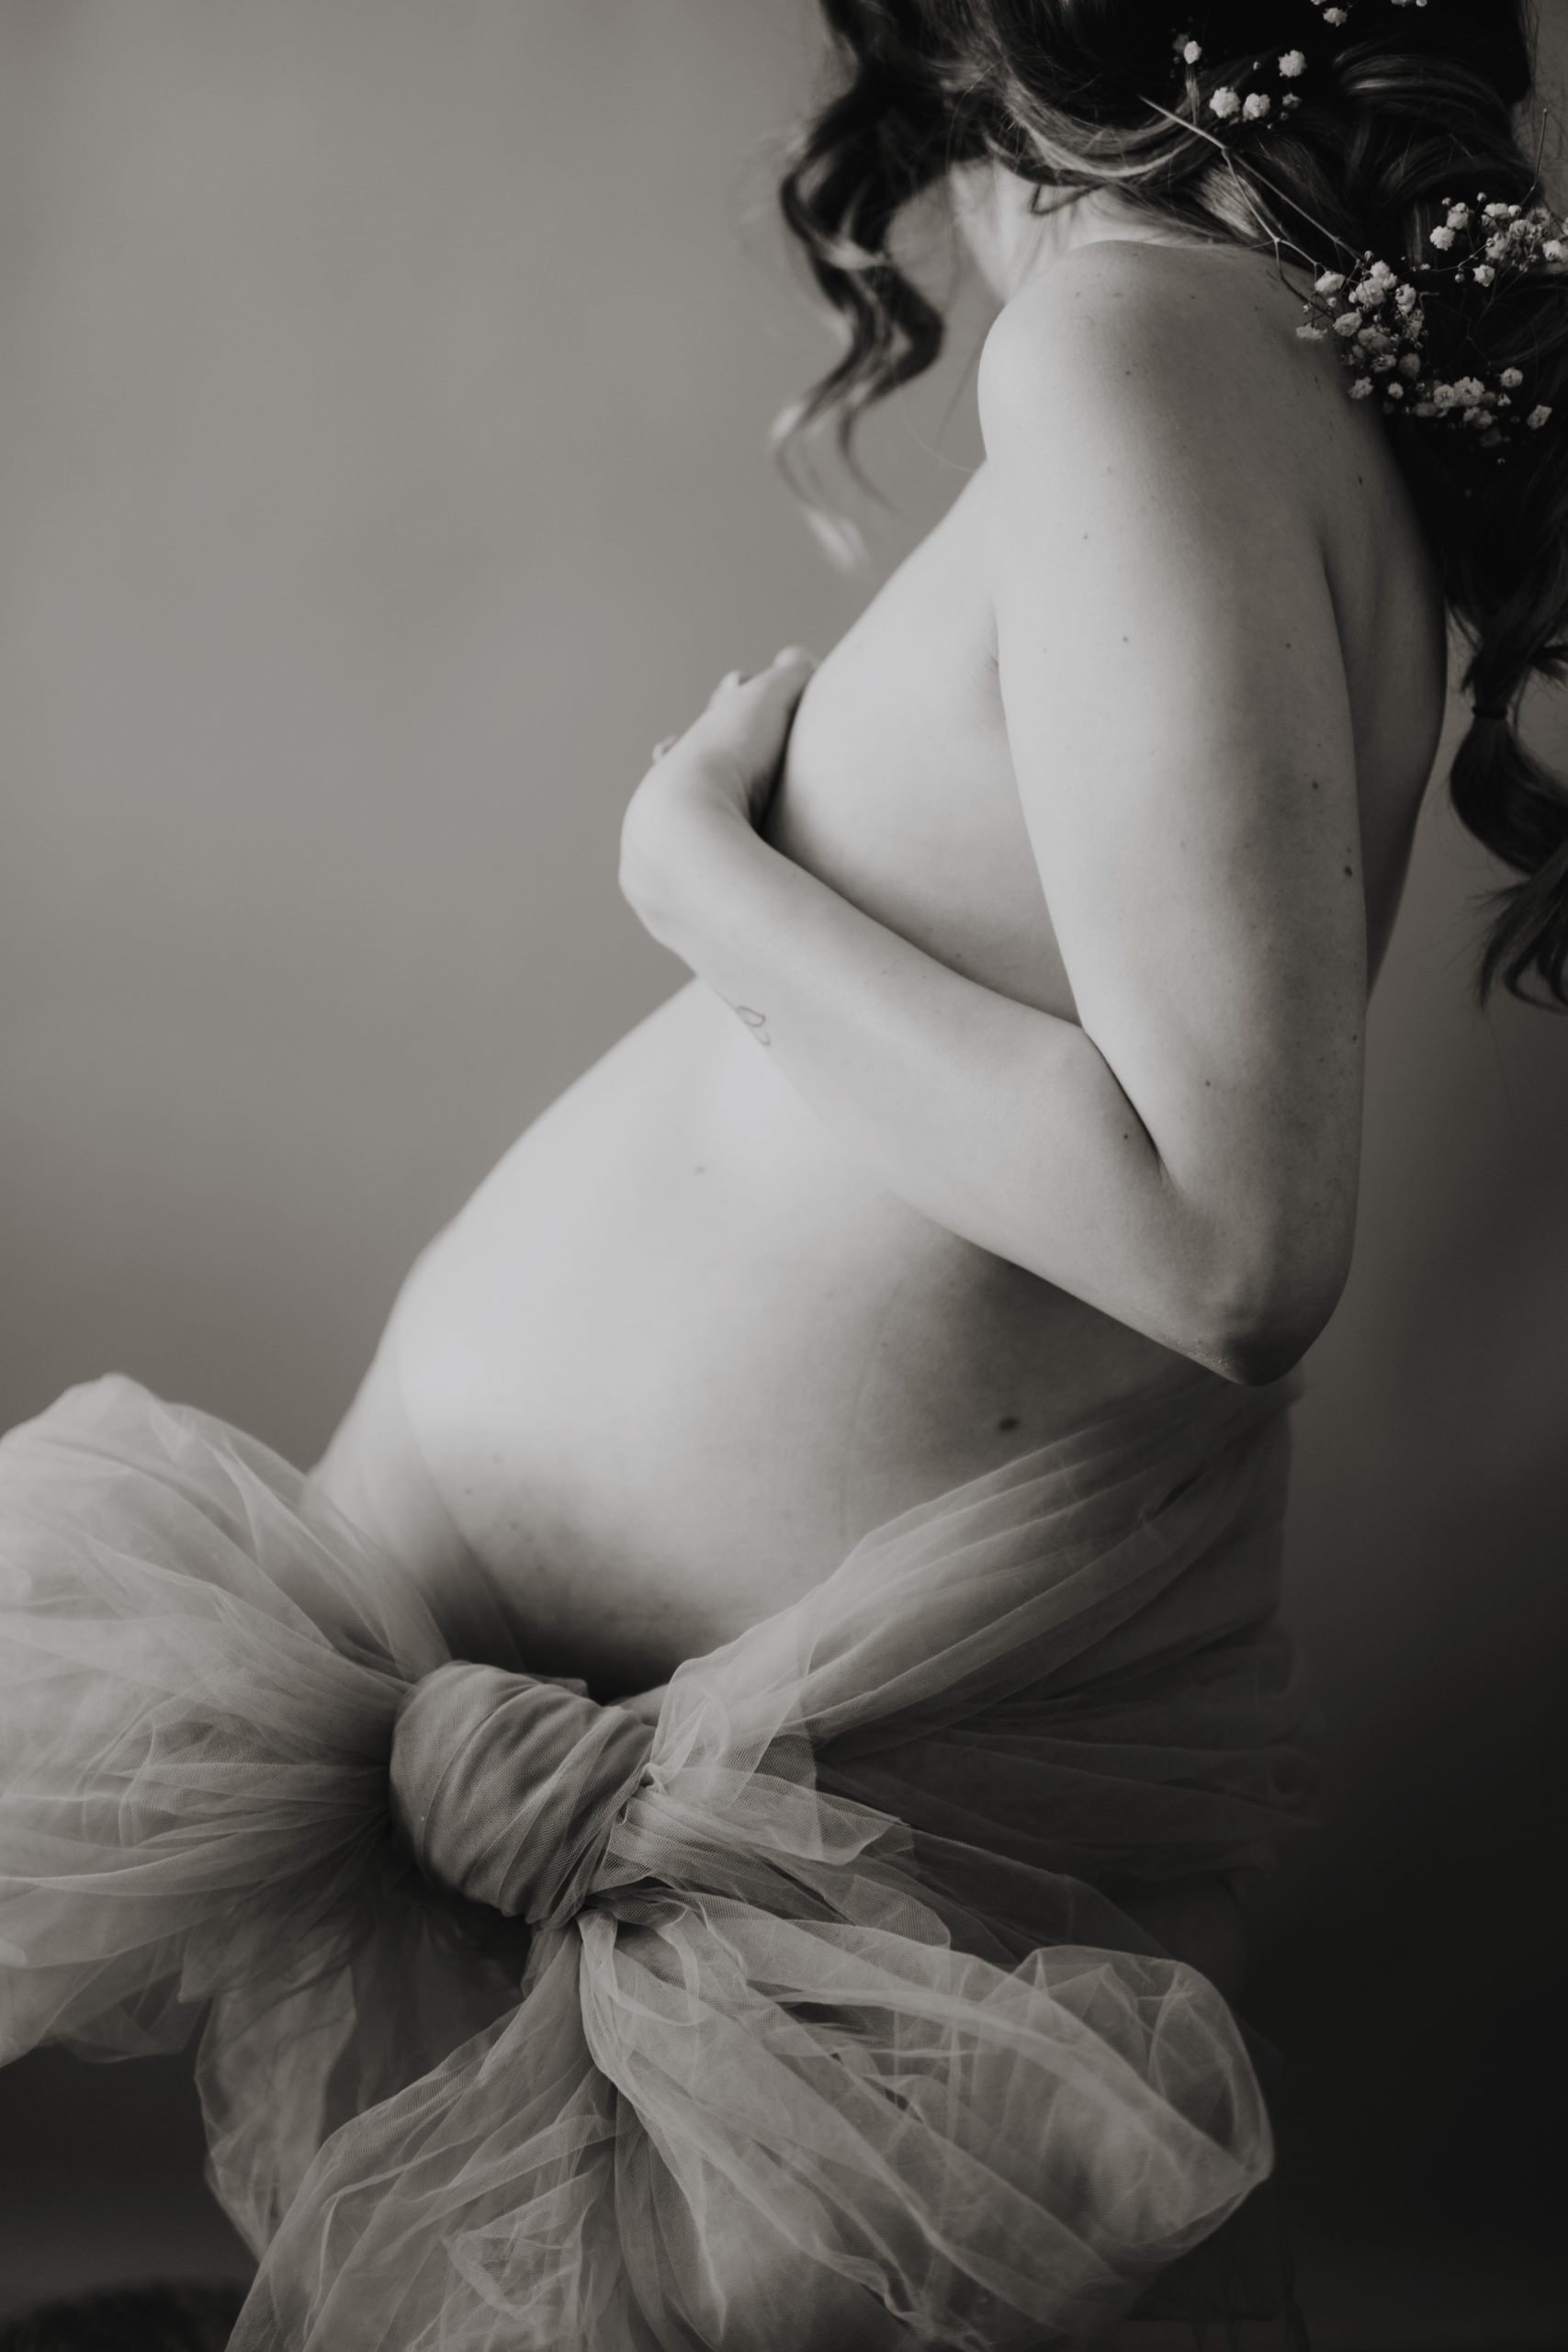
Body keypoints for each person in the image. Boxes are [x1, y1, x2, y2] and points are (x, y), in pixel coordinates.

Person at [2, 5, 1564, 2346]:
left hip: (756, 1761)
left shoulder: (1134, 353)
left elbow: (1234, 1241)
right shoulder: (1240, 386)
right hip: (607, 1711)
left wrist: (699, 882)